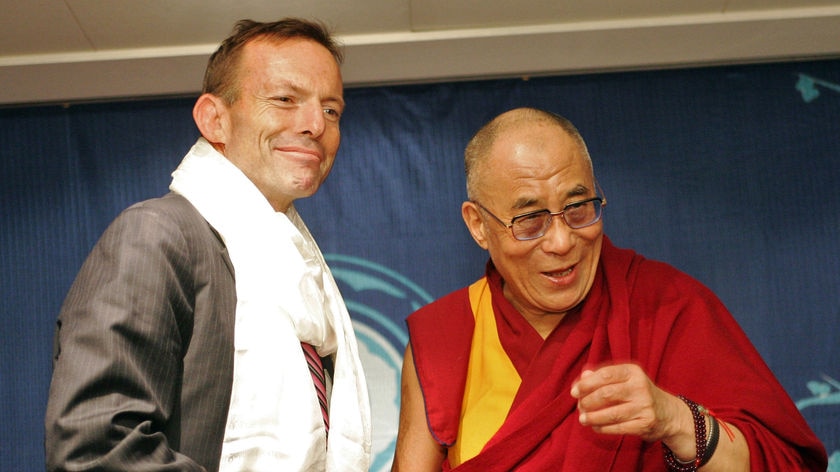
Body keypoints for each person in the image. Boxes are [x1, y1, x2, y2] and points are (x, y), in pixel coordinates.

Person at [391, 107, 827, 471]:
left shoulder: (665, 306)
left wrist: (675, 420)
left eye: (579, 208)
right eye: (530, 221)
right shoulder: (445, 337)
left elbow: (785, 460)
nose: (562, 242)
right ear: (478, 225)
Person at [44, 18, 371, 472]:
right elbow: (97, 446)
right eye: (284, 99)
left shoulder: (296, 268)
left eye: (332, 110)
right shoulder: (159, 236)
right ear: (214, 119)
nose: (316, 124)